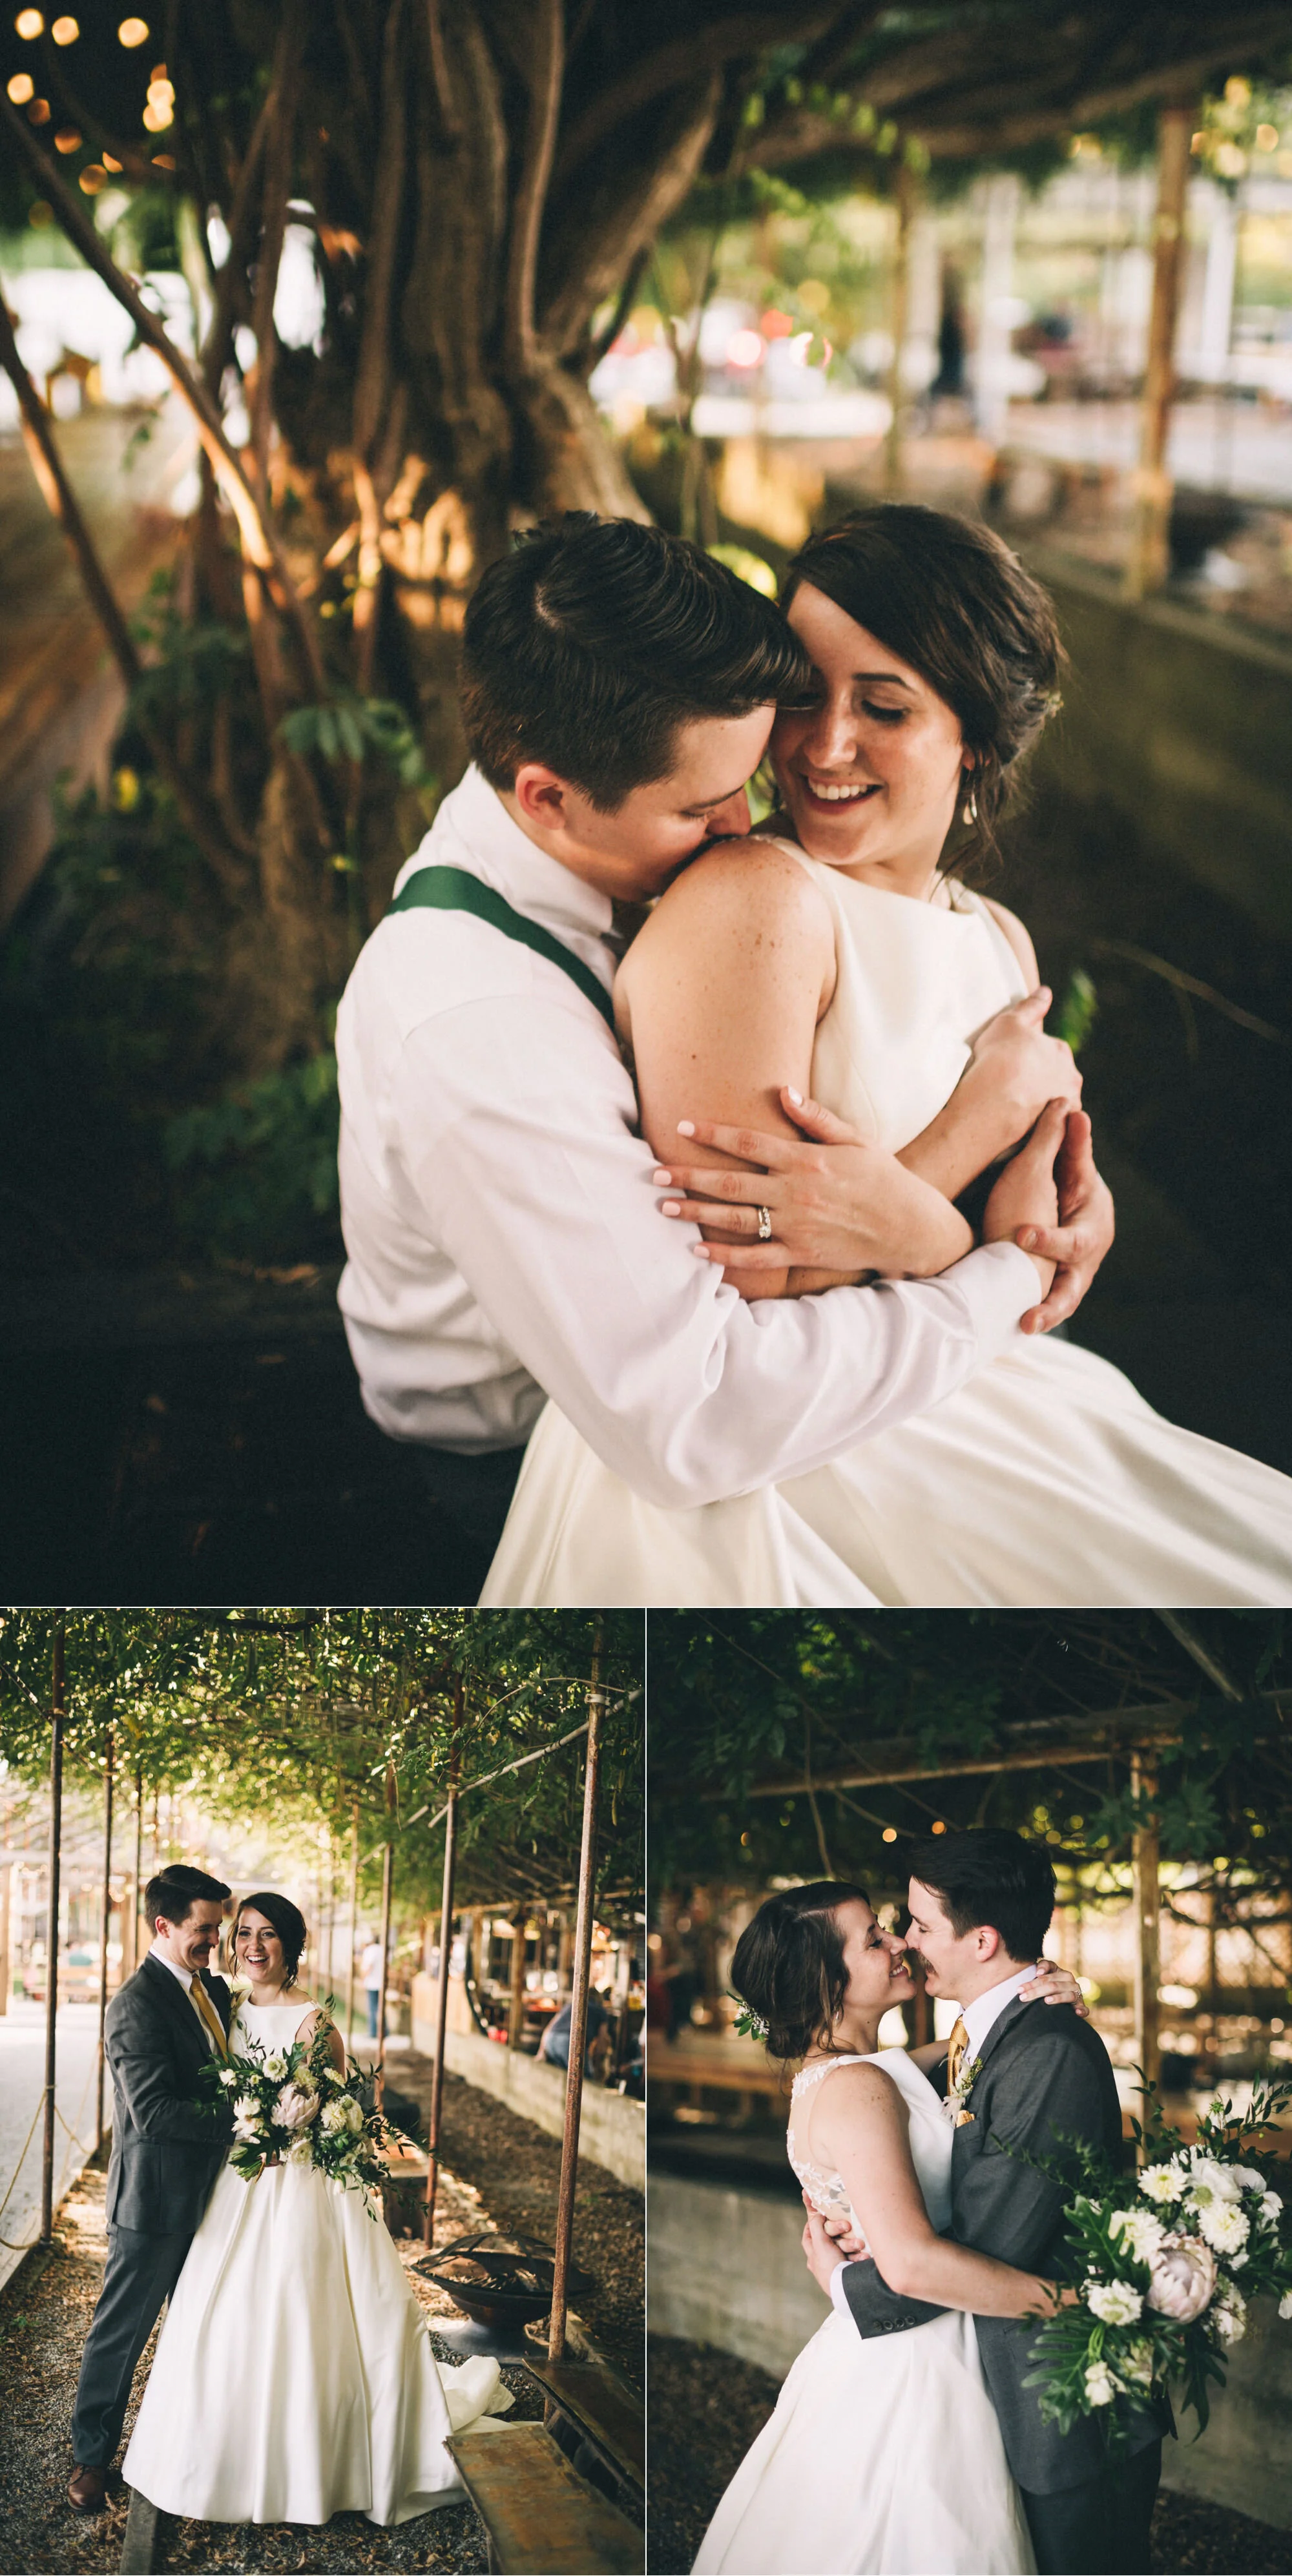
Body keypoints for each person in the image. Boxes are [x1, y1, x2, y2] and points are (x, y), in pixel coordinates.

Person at [485, 504, 1292, 1605]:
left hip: (958, 1383)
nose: (825, 747)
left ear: (982, 735)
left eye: (887, 706)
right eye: (805, 696)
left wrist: (1057, 1224)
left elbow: (1030, 1242)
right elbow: (742, 1280)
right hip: (783, 1457)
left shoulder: (998, 941)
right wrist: (966, 1157)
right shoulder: (755, 899)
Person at [336, 515, 1088, 1600]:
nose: (751, 823)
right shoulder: (476, 1019)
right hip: (535, 1457)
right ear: (547, 796)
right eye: (701, 806)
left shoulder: (960, 927)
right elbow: (699, 1404)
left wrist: (1065, 1199)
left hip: (812, 1378)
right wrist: (989, 1254)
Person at [693, 1867, 1092, 2574]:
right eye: (871, 1937)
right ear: (826, 1980)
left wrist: (1039, 1989)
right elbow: (907, 2265)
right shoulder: (858, 2087)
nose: (896, 1943)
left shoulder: (854, 2072)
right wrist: (1076, 2308)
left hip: (895, 2338)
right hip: (917, 2360)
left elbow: (981, 2051)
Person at [809, 1833, 1166, 2576]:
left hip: (1066, 2392)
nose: (905, 1942)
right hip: (1002, 2384)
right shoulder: (978, 2035)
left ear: (981, 1938)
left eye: (918, 1924)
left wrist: (853, 2279)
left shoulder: (1046, 2051)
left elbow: (995, 2238)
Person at [121, 1890, 510, 2526]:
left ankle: (316, 2460)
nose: (252, 1945)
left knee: (301, 2312)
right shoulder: (224, 2008)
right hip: (235, 2184)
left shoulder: (314, 2024)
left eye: (268, 1934)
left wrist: (299, 2124)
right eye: (243, 1932)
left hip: (299, 2188)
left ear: (292, 1945)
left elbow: (339, 2116)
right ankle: (216, 2456)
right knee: (220, 2315)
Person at [68, 1864, 235, 2516]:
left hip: (221, 2196)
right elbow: (153, 2112)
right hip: (156, 2201)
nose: (213, 1940)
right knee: (121, 2331)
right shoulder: (134, 2003)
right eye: (203, 1928)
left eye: (218, 1928)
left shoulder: (211, 1990)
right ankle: (90, 2456)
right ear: (163, 1925)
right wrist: (249, 2122)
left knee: (209, 2322)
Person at [361, 1933, 385, 2040]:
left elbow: (369, 1966)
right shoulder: (382, 1950)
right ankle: (385, 2031)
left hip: (372, 1983)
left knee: (372, 2009)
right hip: (382, 1983)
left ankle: (373, 2031)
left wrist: (364, 1979)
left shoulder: (371, 1950)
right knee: (381, 2008)